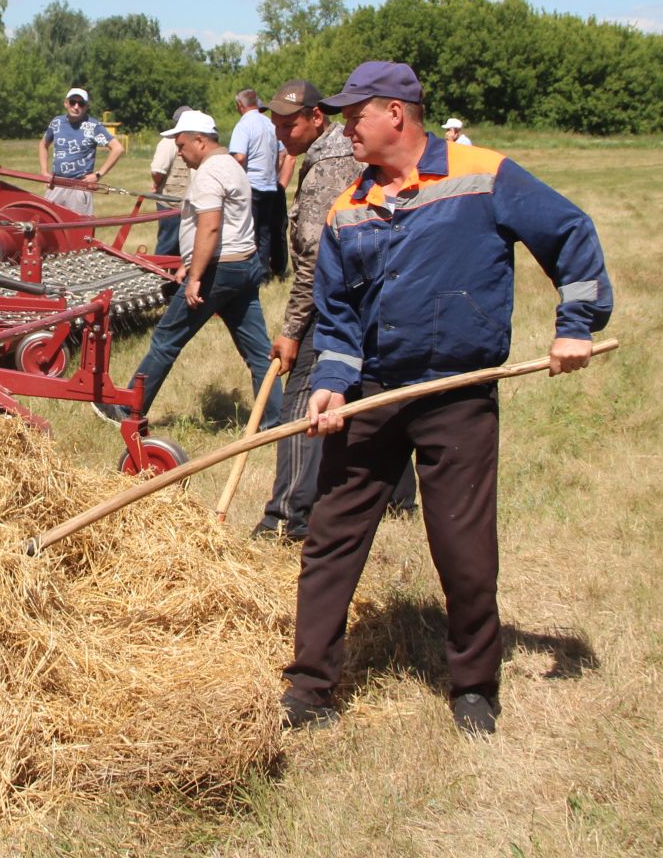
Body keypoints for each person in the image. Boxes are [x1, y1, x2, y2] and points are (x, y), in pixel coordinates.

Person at [282, 61, 612, 737]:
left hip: (454, 393)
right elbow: (339, 315)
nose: (347, 126)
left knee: (462, 545)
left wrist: (573, 327)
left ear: (395, 114)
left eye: (355, 115)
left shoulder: (484, 174)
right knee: (331, 536)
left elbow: (571, 234)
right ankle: (310, 687)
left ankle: (473, 688)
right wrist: (330, 384)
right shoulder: (351, 208)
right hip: (371, 395)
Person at [96, 110, 283, 432]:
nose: (179, 154)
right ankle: (275, 422)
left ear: (200, 140)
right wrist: (189, 262)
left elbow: (210, 228)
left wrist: (196, 276)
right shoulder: (232, 166)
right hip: (244, 265)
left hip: (218, 272)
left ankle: (128, 408)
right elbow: (225, 226)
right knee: (258, 352)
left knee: (166, 339)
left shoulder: (210, 173)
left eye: (182, 146)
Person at [252, 79, 358, 542]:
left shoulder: (328, 167)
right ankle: (396, 498)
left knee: (301, 402)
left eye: (289, 123)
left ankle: (286, 519)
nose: (280, 133)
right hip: (360, 297)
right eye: (274, 123)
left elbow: (315, 259)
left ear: (317, 117)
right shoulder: (331, 154)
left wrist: (294, 329)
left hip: (329, 303)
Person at [230, 88, 287, 280]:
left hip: (251, 185)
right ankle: (264, 274)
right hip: (270, 185)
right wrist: (274, 171)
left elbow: (239, 156)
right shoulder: (270, 124)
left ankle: (251, 274)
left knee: (248, 231)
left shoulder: (244, 125)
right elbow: (282, 153)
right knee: (265, 231)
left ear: (240, 105)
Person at [39, 87, 123, 216]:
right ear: (66, 103)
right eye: (73, 102)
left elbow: (117, 148)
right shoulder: (57, 122)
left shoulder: (93, 126)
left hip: (79, 187)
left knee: (77, 232)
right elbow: (43, 144)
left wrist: (98, 175)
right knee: (48, 227)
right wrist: (44, 172)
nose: (76, 107)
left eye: (81, 104)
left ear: (86, 107)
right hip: (56, 185)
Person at [148, 105, 194, 258]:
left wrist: (157, 183)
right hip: (171, 202)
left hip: (185, 201)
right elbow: (157, 171)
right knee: (168, 245)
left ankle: (174, 280)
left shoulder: (182, 141)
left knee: (183, 246)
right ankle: (158, 278)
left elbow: (157, 171)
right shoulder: (169, 142)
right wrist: (158, 183)